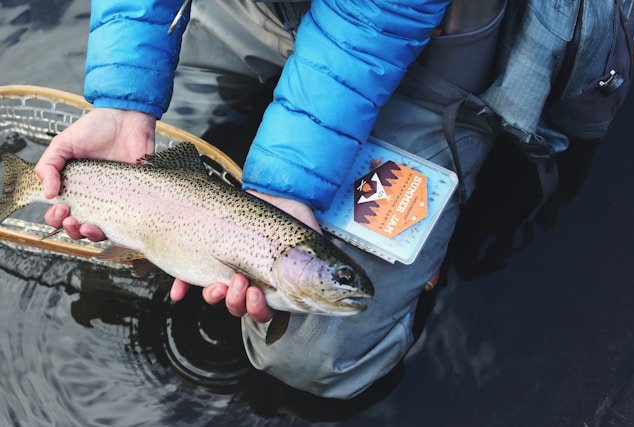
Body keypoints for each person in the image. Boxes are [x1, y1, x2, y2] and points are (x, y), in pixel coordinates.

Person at [34, 0, 504, 399]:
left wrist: (286, 186)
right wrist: (123, 98)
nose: (341, 280)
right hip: (275, 10)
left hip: (416, 46)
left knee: (313, 355)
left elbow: (371, 20)